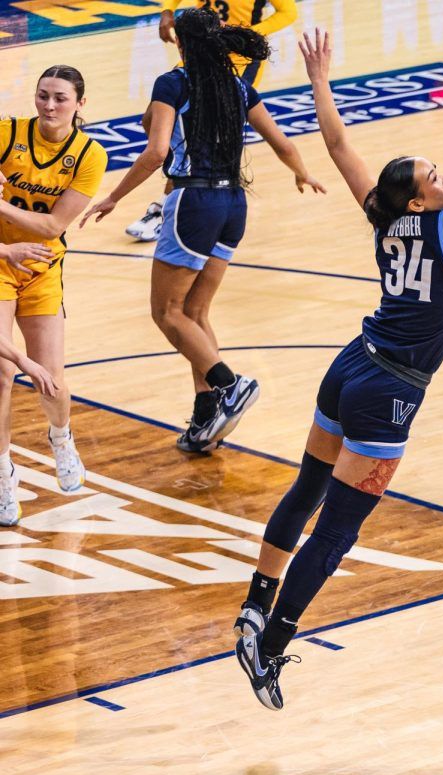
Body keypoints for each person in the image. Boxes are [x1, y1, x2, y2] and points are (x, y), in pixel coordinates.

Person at [232, 26, 443, 710]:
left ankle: (254, 604)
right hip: (389, 390)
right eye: (435, 177)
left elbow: (339, 146)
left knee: (306, 490)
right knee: (337, 529)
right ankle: (269, 646)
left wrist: (320, 79)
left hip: (350, 364)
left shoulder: (384, 218)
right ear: (420, 201)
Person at [82, 9, 324, 453]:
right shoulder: (237, 85)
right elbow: (282, 142)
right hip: (234, 205)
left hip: (193, 204)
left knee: (167, 312)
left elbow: (155, 152)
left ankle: (229, 385)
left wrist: (115, 196)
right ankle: (205, 416)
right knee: (195, 313)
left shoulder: (174, 83)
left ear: (181, 43)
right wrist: (301, 173)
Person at [0, 65, 110, 524]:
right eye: (43, 95)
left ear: (80, 104)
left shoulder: (89, 154)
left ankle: (61, 438)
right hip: (0, 258)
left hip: (43, 267)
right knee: (2, 373)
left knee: (53, 378)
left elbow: (51, 226)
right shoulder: (7, 133)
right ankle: (3, 473)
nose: (49, 105)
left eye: (60, 98)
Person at [125, 0, 300, 242]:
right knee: (151, 118)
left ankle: (165, 210)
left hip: (236, 58)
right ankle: (180, 183)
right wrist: (166, 10)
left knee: (196, 137)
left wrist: (243, 34)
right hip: (196, 49)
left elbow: (288, 12)